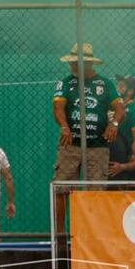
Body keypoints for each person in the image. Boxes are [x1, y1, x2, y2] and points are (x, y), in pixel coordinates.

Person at [53, 42, 120, 190]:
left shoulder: (105, 83)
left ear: (88, 64)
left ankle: (91, 214)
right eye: (71, 62)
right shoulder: (64, 83)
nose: (72, 66)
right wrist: (64, 126)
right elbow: (58, 107)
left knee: (96, 191)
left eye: (75, 63)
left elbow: (119, 108)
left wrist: (114, 124)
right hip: (70, 144)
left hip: (97, 145)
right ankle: (59, 215)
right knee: (61, 188)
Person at [108, 74, 135, 183]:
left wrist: (126, 162)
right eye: (117, 84)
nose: (117, 87)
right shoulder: (114, 107)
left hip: (124, 158)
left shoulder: (134, 110)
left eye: (121, 85)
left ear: (130, 91)